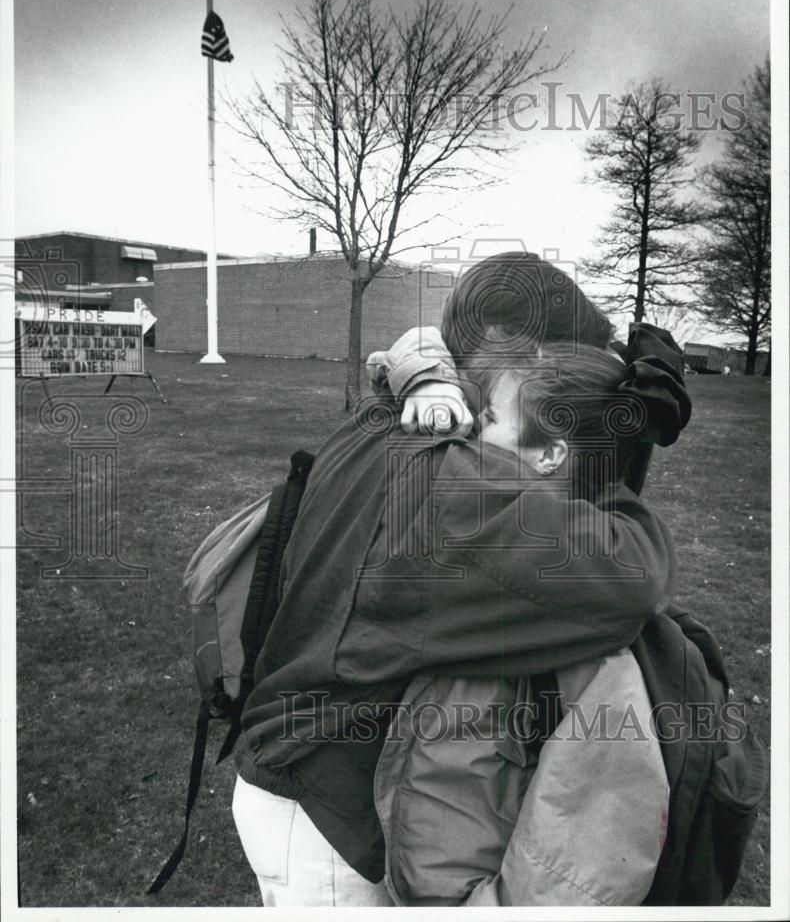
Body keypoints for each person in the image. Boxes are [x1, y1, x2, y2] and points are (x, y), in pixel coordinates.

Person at [231, 252, 689, 906]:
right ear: (522, 353)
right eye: (559, 361)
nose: (560, 377)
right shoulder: (468, 492)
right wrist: (627, 442)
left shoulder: (393, 413)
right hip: (328, 821)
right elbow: (634, 575)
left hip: (279, 773)